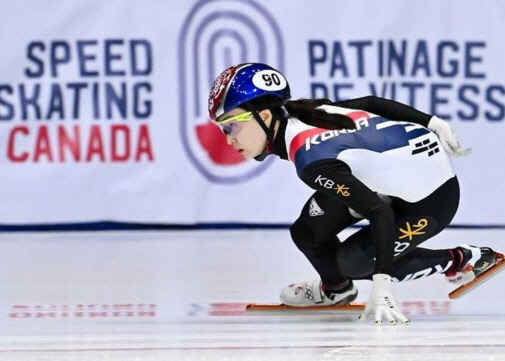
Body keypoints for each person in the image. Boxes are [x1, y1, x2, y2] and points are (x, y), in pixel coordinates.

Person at [207, 62, 502, 325]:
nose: (228, 138)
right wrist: (431, 121)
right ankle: (336, 290)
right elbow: (372, 102)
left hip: (430, 199)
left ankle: (464, 259)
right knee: (307, 232)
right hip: (385, 184)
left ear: (267, 116)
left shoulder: (311, 160)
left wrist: (382, 288)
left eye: (231, 125)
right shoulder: (313, 114)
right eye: (223, 130)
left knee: (355, 263)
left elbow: (379, 212)